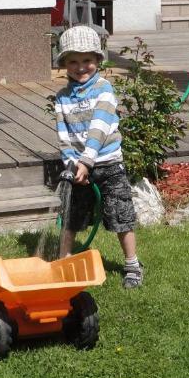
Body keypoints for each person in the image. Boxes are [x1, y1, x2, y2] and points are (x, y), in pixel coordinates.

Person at [53, 25, 143, 289]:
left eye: (87, 60)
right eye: (74, 61)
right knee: (70, 216)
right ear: (64, 64)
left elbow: (99, 128)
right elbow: (64, 134)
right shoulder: (62, 97)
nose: (81, 67)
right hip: (79, 167)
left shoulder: (104, 89)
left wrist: (86, 161)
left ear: (98, 61)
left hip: (108, 165)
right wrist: (71, 162)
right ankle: (63, 262)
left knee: (120, 216)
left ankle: (132, 266)